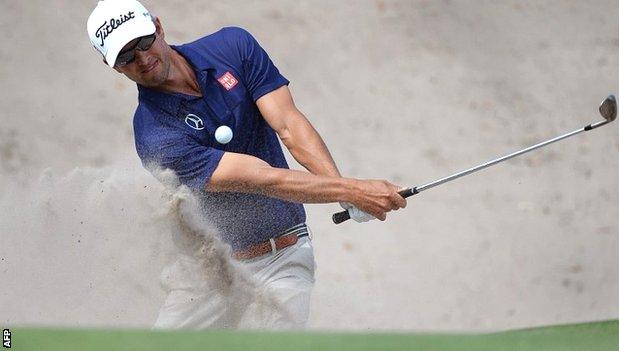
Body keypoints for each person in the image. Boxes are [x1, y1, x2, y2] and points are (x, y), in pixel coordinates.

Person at [86, 0, 407, 329]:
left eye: (143, 42)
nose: (142, 59)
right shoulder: (155, 134)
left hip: (283, 258)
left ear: (158, 26)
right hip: (206, 275)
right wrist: (355, 189)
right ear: (113, 66)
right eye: (126, 56)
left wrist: (345, 193)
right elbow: (263, 179)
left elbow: (288, 124)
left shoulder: (232, 47)